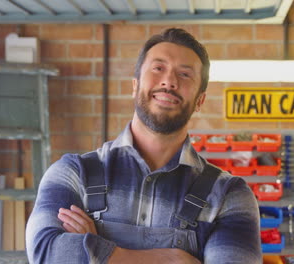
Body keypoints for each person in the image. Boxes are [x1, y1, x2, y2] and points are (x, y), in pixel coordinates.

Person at [26, 28, 262, 264]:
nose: (169, 81)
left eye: (185, 74)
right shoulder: (73, 174)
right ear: (135, 85)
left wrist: (95, 253)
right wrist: (169, 259)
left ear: (200, 100)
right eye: (158, 68)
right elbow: (46, 252)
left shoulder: (229, 196)